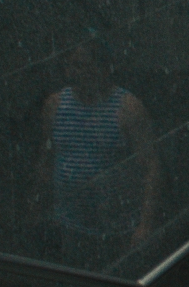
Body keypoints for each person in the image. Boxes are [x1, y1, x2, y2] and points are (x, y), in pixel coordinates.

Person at [36, 38, 160, 270]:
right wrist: (39, 207)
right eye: (72, 66)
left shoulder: (128, 108)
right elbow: (46, 159)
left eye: (83, 65)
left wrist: (145, 225)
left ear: (102, 67)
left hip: (118, 227)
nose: (76, 73)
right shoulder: (55, 105)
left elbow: (151, 167)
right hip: (69, 224)